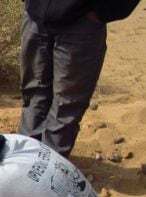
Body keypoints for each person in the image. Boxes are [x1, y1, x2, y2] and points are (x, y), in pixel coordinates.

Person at [18, 0, 140, 156]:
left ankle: (50, 171)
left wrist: (101, 13)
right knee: (33, 96)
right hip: (35, 17)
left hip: (82, 24)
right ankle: (23, 162)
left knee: (65, 109)